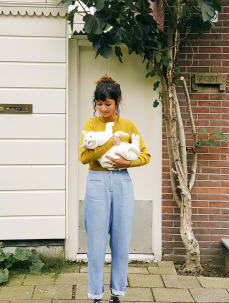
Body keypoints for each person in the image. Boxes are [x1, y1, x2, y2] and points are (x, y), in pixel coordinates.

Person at [79, 75, 151, 303]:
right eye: (99, 104)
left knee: (121, 240)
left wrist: (127, 163)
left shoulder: (128, 126)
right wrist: (111, 142)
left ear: (117, 101)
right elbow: (84, 157)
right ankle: (95, 295)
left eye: (107, 104)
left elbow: (146, 155)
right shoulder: (90, 125)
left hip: (122, 182)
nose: (103, 108)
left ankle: (117, 293)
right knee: (96, 242)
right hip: (97, 182)